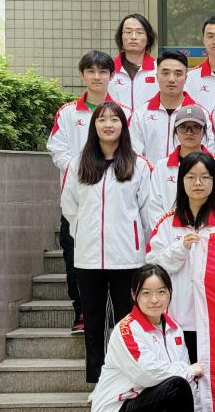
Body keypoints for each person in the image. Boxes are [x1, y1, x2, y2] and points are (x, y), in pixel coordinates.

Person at [90, 263, 215, 412]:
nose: (154, 300)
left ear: (170, 293)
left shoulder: (175, 329)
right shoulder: (127, 329)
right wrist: (188, 370)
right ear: (134, 295)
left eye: (161, 292)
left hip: (150, 411)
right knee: (176, 385)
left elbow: (187, 387)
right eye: (146, 293)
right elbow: (147, 375)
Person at [60, 102, 151, 384]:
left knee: (127, 320)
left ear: (123, 126)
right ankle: (98, 381)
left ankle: (128, 379)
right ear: (94, 126)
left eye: (114, 119)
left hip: (128, 258)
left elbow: (146, 211)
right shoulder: (78, 164)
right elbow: (69, 207)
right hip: (88, 257)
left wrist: (138, 243)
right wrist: (84, 233)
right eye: (102, 120)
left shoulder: (138, 165)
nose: (108, 125)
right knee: (93, 320)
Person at [47, 50, 129, 334]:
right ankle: (81, 310)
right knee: (74, 258)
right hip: (79, 200)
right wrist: (82, 169)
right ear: (82, 75)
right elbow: (56, 148)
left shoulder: (123, 112)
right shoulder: (68, 112)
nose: (97, 77)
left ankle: (117, 315)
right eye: (91, 71)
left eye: (103, 71)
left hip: (116, 201)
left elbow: (133, 149)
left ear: (111, 75)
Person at [146, 152, 215, 362]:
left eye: (205, 177)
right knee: (181, 373)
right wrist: (180, 248)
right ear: (181, 182)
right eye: (191, 177)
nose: (198, 183)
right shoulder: (166, 223)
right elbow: (153, 267)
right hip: (178, 316)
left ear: (214, 182)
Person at [145, 105, 215, 228]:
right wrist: (171, 233)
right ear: (176, 131)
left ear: (204, 131)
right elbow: (154, 207)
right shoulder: (161, 167)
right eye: (183, 127)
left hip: (207, 232)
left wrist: (200, 231)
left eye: (196, 127)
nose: (189, 132)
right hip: (170, 234)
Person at [130, 49, 212, 165]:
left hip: (189, 175)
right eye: (165, 73)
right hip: (150, 175)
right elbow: (135, 154)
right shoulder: (141, 114)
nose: (171, 79)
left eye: (178, 74)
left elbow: (207, 152)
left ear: (186, 78)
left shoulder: (201, 114)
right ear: (157, 76)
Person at [109, 13, 159, 111]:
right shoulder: (108, 70)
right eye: (128, 32)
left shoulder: (159, 70)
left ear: (148, 39)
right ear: (121, 37)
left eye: (139, 32)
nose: (133, 37)